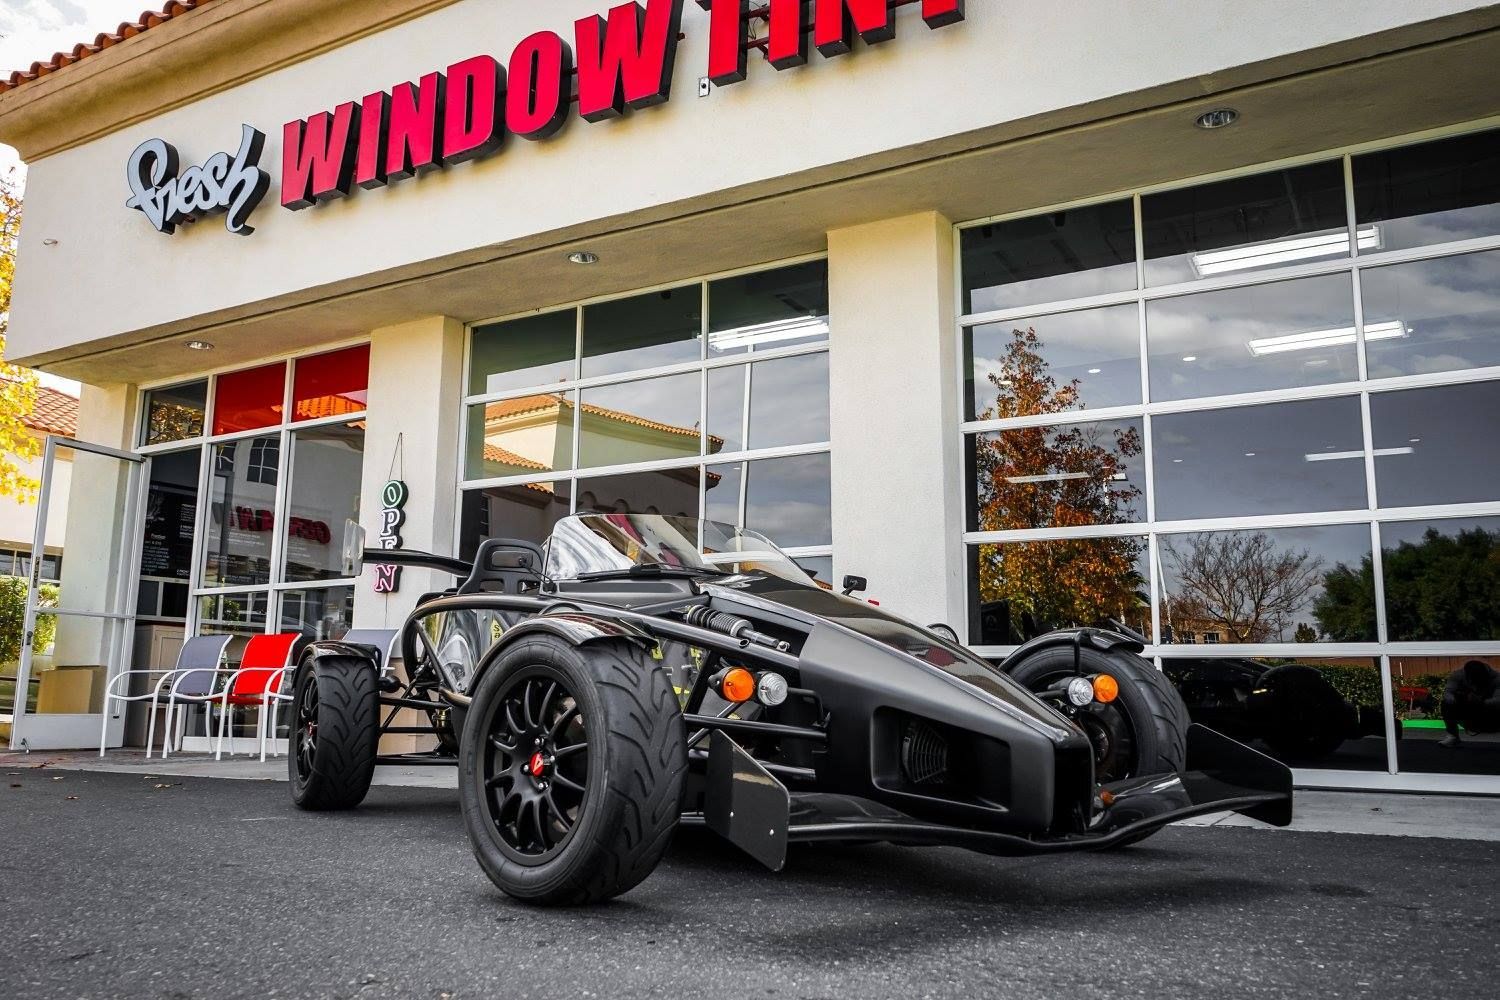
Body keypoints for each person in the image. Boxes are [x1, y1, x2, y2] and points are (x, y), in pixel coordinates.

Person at [1439, 660, 1500, 748]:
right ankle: (1453, 736)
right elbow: (1448, 692)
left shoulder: (1497, 678)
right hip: (1468, 714)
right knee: (1446, 703)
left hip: (1491, 717)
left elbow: (1498, 700)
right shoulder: (1458, 675)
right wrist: (1457, 700)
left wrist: (1480, 702)